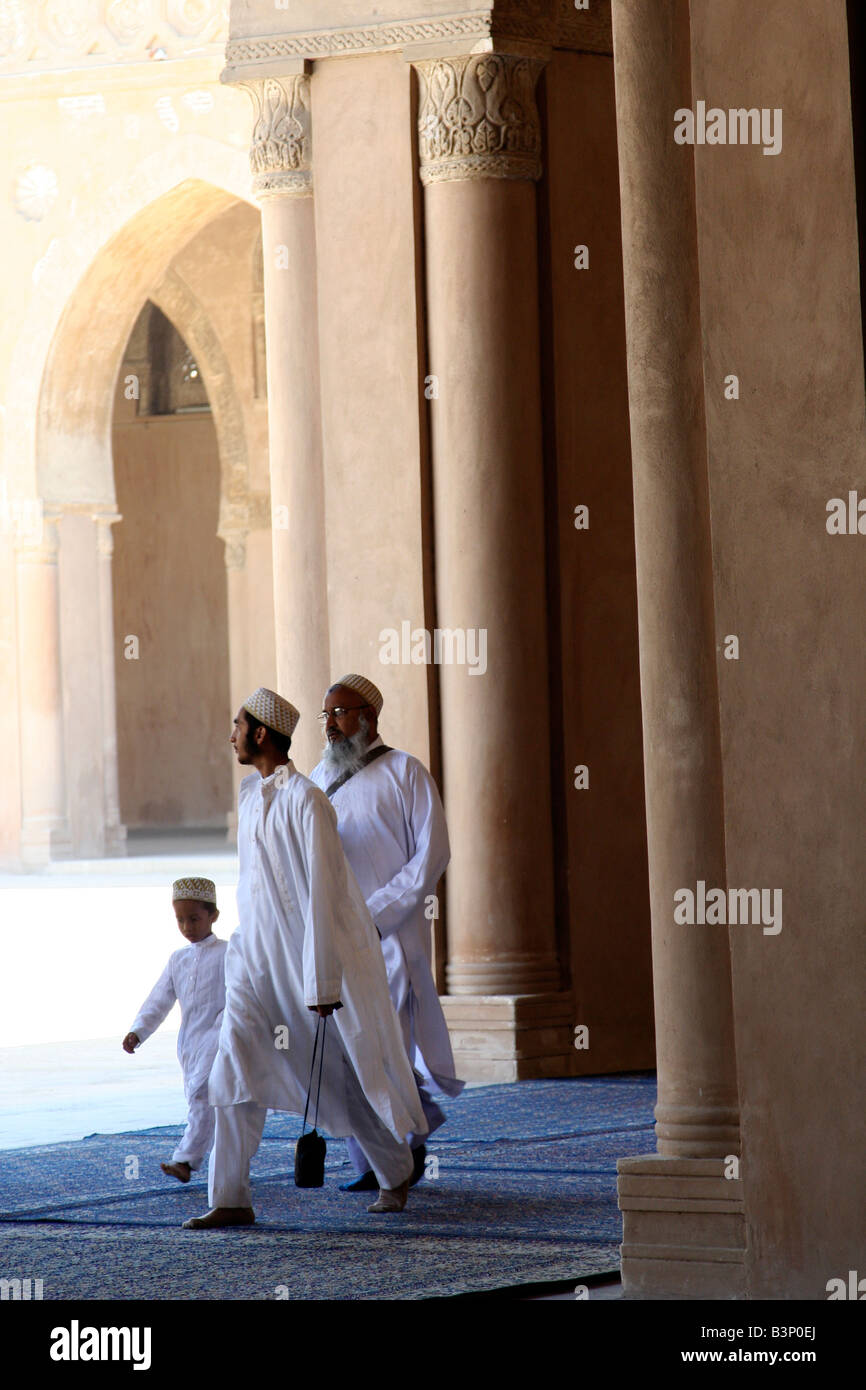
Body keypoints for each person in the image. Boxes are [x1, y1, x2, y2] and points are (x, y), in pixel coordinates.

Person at [182, 687, 427, 1230]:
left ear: (261, 733)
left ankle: (394, 1168)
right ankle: (231, 1196)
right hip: (254, 965)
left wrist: (322, 984)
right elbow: (251, 888)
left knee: (339, 1075)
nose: (231, 736)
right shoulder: (250, 797)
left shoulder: (307, 801)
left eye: (237, 726)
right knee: (232, 1070)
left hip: (303, 970)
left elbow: (325, 896)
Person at [309, 674, 463, 1193]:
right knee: (347, 1048)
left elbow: (432, 854)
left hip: (390, 938)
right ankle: (377, 1158)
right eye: (325, 715)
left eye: (339, 713)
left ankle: (402, 1150)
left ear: (367, 717)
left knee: (386, 1044)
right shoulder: (318, 778)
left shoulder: (406, 772)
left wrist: (376, 916)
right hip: (336, 939)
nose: (330, 724)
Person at [122, 878, 227, 1183]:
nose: (187, 927)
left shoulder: (227, 952)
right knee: (204, 1099)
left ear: (213, 916)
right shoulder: (178, 959)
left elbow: (241, 994)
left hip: (220, 1035)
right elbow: (160, 998)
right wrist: (138, 1031)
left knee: (201, 1093)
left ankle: (185, 1159)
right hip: (190, 1042)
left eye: (194, 919)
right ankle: (229, 1165)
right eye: (180, 920)